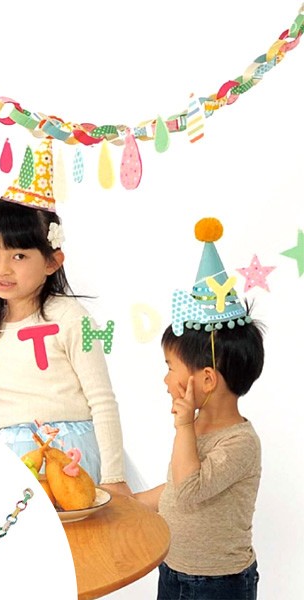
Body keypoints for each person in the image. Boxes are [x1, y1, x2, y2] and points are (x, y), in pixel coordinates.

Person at [0, 139, 143, 495]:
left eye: (19, 256)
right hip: (14, 463)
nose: (2, 268)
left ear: (52, 262)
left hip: (71, 457)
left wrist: (114, 476)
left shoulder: (71, 318)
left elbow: (102, 400)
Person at [135, 217, 264, 600]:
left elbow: (190, 491)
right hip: (173, 569)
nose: (166, 380)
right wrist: (131, 503)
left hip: (219, 584)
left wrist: (182, 427)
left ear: (207, 379)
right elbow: (178, 486)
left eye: (170, 367)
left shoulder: (240, 443)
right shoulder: (197, 428)